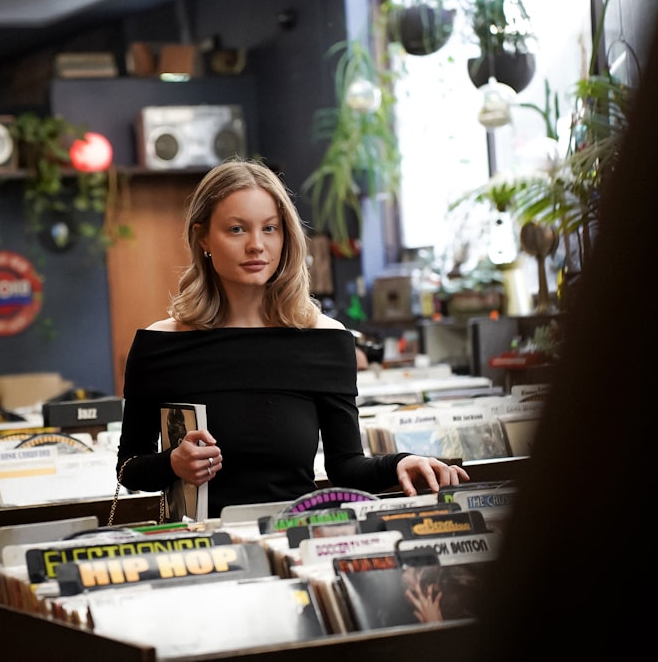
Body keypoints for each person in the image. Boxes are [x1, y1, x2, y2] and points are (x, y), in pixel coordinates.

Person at [115, 158, 468, 520]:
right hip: (203, 555)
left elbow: (346, 466)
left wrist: (399, 463)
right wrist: (172, 463)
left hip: (296, 541)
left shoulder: (325, 340)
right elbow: (128, 469)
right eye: (237, 229)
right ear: (202, 236)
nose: (257, 245)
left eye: (270, 228)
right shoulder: (159, 345)